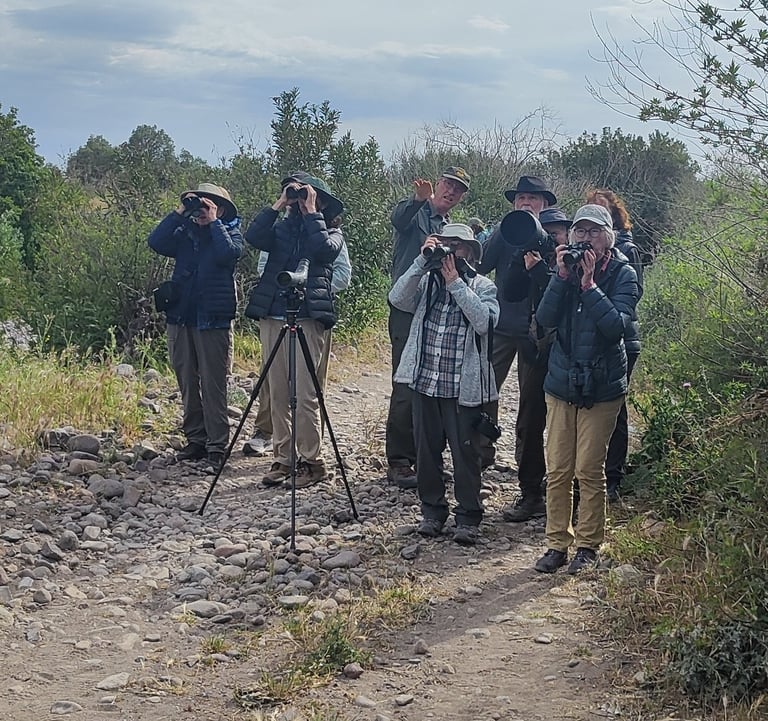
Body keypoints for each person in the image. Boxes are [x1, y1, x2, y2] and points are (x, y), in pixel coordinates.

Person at [533, 204, 641, 575]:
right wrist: (562, 276)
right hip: (562, 380)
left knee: (589, 470)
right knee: (559, 468)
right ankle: (556, 544)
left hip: (603, 384)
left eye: (594, 232)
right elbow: (544, 320)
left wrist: (589, 285)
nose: (585, 238)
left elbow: (616, 328)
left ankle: (588, 545)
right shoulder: (563, 270)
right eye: (580, 231)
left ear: (608, 237)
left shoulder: (625, 274)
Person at [389, 223, 499, 545]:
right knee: (426, 453)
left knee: (466, 454)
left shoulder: (483, 286)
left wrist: (455, 284)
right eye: (446, 243)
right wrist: (422, 261)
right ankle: (432, 512)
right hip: (425, 381)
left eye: (458, 245)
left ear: (471, 253)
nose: (450, 251)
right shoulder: (426, 282)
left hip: (462, 390)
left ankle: (468, 516)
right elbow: (397, 298)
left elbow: (485, 322)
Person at [243, 173, 344, 488]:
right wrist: (279, 204)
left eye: (307, 195)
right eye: (297, 195)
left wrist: (312, 212)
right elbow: (255, 236)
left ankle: (311, 461)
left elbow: (324, 251)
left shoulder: (333, 232)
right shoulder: (282, 229)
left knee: (305, 392)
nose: (300, 201)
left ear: (322, 202)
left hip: (309, 317)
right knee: (278, 391)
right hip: (273, 314)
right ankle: (283, 458)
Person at [148, 182, 243, 470]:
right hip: (181, 316)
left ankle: (217, 445)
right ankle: (196, 440)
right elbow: (156, 241)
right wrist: (180, 212)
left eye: (208, 205)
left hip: (212, 319)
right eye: (199, 205)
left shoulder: (230, 232)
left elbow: (229, 254)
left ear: (221, 209)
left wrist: (213, 222)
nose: (201, 210)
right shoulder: (184, 233)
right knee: (187, 381)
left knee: (214, 384)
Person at [386, 166, 471, 489]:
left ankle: (425, 459)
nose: (451, 191)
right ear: (438, 184)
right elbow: (399, 221)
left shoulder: (450, 229)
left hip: (436, 306)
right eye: (448, 184)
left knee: (432, 382)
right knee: (406, 382)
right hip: (408, 306)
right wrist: (417, 201)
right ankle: (399, 460)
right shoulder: (416, 212)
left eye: (458, 189)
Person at [477, 175, 557, 522]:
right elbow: (480, 267)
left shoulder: (554, 233)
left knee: (531, 412)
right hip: (500, 327)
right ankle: (479, 459)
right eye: (521, 198)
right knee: (480, 394)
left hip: (536, 333)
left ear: (545, 204)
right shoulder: (503, 230)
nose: (526, 203)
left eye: (533, 199)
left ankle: (531, 490)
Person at [585, 189, 644, 501]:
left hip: (623, 339)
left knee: (615, 406)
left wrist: (599, 289)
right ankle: (587, 477)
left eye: (602, 212)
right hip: (586, 340)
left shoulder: (626, 250)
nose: (595, 217)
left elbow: (636, 295)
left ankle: (613, 478)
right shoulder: (579, 250)